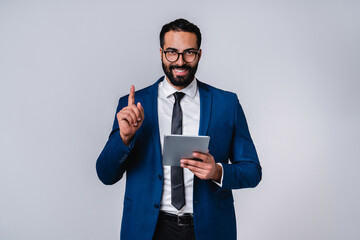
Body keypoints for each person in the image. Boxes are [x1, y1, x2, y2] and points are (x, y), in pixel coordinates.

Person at [96, 18, 262, 240]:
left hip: (210, 229)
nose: (180, 62)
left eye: (189, 53)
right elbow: (105, 174)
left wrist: (218, 172)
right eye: (172, 52)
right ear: (162, 53)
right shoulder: (132, 105)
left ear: (199, 54)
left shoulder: (227, 104)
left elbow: (253, 171)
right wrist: (124, 139)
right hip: (148, 229)